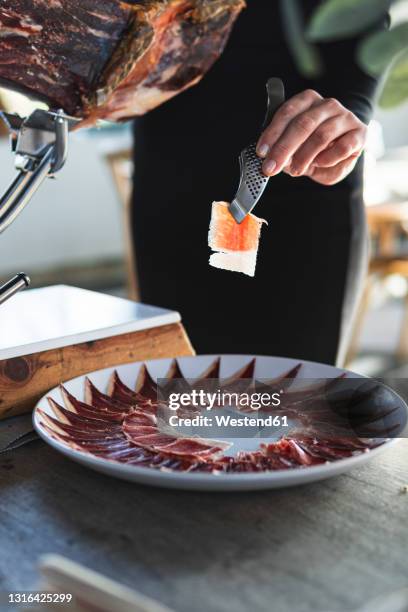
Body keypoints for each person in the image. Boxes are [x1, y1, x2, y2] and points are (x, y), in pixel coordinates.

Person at [131, 2, 387, 366]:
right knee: (182, 394)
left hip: (304, 163)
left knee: (297, 402)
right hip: (172, 175)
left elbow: (368, 15)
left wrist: (352, 107)